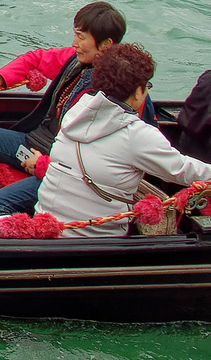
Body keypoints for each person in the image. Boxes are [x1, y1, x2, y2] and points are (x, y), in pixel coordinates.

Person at [0, 1, 128, 215]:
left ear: (106, 44)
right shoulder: (76, 59)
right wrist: (0, 78)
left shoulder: (114, 93)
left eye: (81, 37)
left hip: (61, 172)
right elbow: (36, 60)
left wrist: (44, 164)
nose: (74, 42)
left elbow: (94, 157)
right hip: (36, 144)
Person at [37, 43, 211, 237]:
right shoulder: (137, 135)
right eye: (147, 86)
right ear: (138, 92)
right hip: (95, 237)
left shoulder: (77, 111)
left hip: (46, 221)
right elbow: (184, 171)